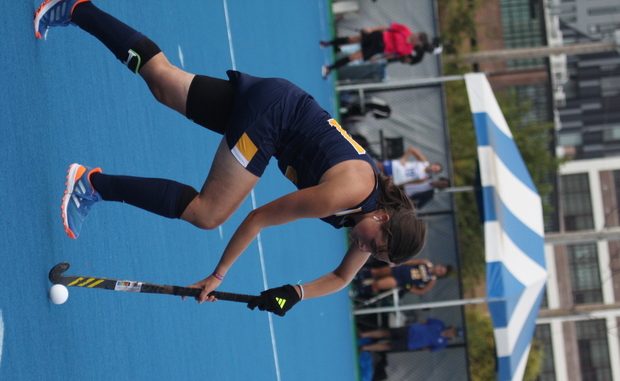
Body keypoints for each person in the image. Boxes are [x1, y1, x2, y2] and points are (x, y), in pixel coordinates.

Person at [33, 0, 427, 317]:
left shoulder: (370, 220)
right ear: (384, 219)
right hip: (271, 121)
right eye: (376, 246)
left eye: (376, 256)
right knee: (209, 213)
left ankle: (76, 9)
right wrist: (218, 275)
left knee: (164, 82)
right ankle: (90, 185)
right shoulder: (349, 192)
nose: (366, 250)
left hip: (277, 104)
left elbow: (342, 278)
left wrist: (294, 293)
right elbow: (258, 218)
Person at [320, 25, 436, 78]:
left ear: (420, 44)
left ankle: (330, 68)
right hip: (377, 37)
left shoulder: (408, 50)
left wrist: (378, 58)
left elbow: (391, 55)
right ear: (417, 33)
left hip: (378, 48)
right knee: (352, 39)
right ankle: (328, 43)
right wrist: (371, 29)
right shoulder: (405, 29)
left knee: (353, 58)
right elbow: (386, 28)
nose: (418, 39)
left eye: (420, 40)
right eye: (419, 36)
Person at [353, 259, 453, 298]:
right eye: (441, 269)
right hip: (399, 270)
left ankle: (359, 292)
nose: (439, 271)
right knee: (376, 272)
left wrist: (410, 289)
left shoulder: (432, 280)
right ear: (439, 265)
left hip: (400, 281)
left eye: (441, 272)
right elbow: (411, 262)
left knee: (378, 285)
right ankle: (358, 277)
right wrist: (397, 263)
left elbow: (422, 291)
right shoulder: (426, 263)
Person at [358, 318, 460, 352]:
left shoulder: (442, 344)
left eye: (454, 335)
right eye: (454, 331)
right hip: (410, 330)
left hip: (410, 343)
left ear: (453, 337)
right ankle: (363, 335)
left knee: (388, 345)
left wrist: (418, 343)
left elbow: (428, 348)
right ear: (452, 328)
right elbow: (425, 321)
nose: (452, 333)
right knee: (387, 332)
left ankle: (364, 348)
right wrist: (416, 328)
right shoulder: (439, 324)